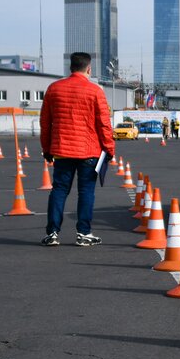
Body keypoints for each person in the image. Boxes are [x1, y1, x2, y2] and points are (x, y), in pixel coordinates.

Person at [39, 52, 115, 247]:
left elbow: (45, 123)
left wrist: (46, 148)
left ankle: (53, 233)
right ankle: (83, 233)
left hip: (62, 150)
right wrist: (109, 149)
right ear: (88, 69)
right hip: (89, 151)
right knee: (86, 192)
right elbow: (104, 124)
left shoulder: (53, 89)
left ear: (70, 67)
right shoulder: (95, 91)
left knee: (59, 190)